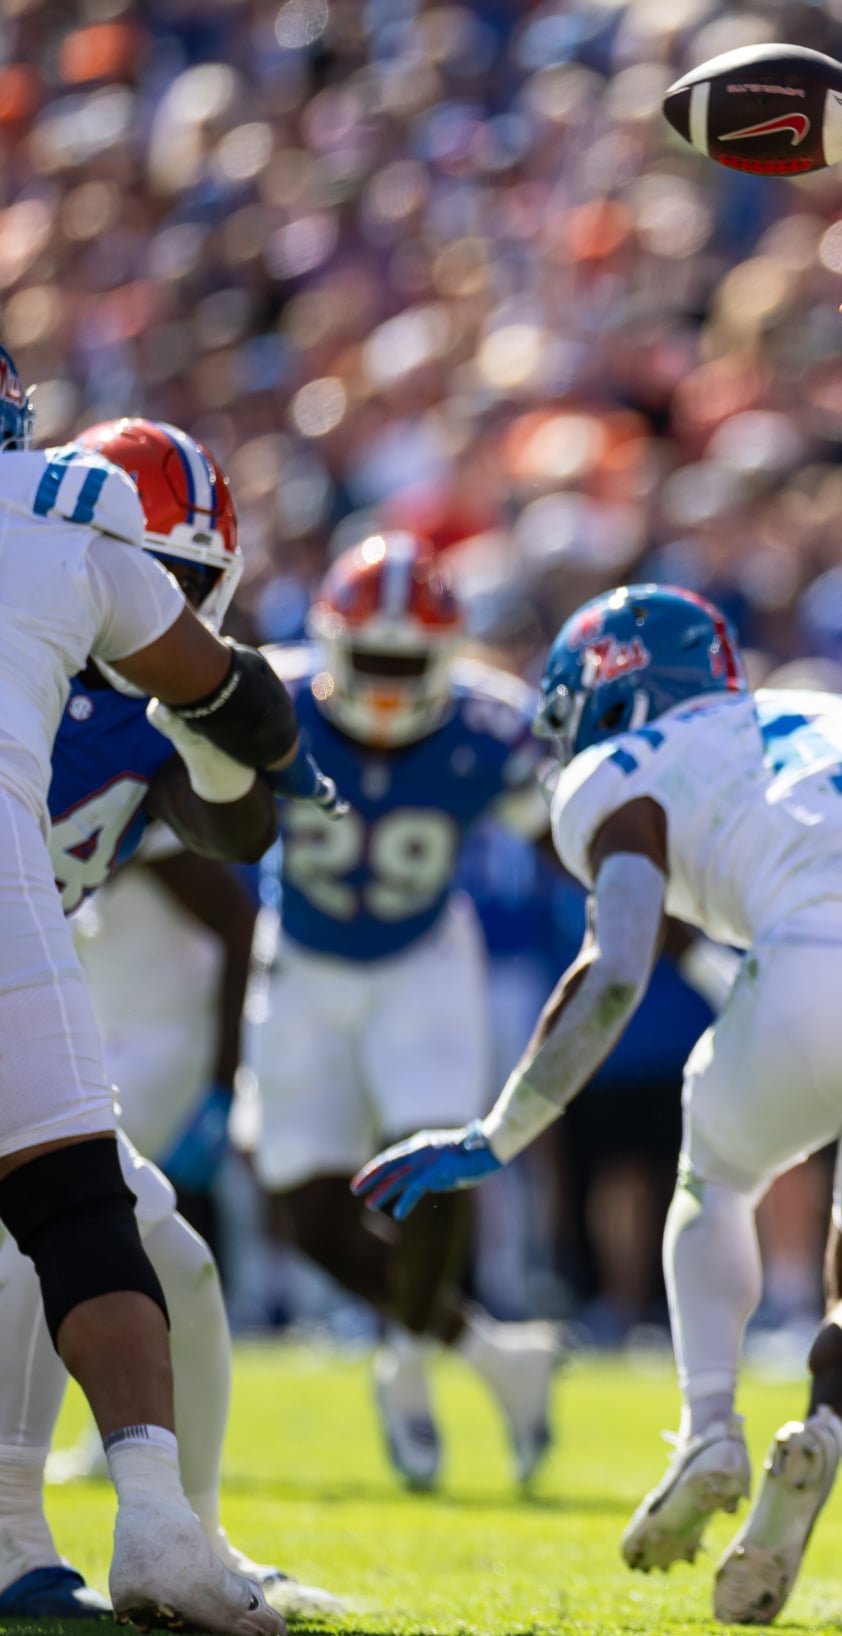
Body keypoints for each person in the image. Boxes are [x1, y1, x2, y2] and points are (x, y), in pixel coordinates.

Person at [354, 586, 842, 1627]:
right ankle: (826, 1435)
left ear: (612, 689)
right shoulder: (836, 711)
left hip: (816, 960)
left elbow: (616, 966)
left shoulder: (614, 772)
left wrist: (499, 1135)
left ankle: (708, 1426)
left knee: (715, 1176)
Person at [0, 347, 336, 1635]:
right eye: (168, 575)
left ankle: (185, 1535)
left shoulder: (136, 691)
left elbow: (233, 838)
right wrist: (245, 716)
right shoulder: (71, 554)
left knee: (167, 1255)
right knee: (50, 1229)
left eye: (194, 582)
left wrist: (211, 732)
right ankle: (23, 1538)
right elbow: (234, 733)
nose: (174, 598)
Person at [240, 532, 562, 1494]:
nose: (384, 685)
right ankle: (493, 1353)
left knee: (432, 1160)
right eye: (369, 660)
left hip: (424, 955)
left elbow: (563, 843)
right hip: (300, 954)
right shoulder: (276, 700)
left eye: (404, 664)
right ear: (332, 643)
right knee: (306, 1207)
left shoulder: (492, 727)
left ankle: (412, 1364)